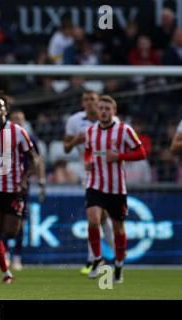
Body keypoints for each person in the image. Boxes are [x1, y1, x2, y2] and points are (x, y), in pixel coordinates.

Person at [0, 92, 42, 283]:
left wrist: (25, 179)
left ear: (6, 109)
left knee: (11, 231)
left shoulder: (18, 132)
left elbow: (34, 158)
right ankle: (6, 272)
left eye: (0, 105)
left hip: (14, 190)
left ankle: (11, 257)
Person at [84, 95, 147, 283]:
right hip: (95, 184)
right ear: (97, 110)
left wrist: (120, 156)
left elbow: (141, 152)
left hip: (117, 188)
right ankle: (97, 259)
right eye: (101, 108)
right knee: (93, 220)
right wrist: (87, 161)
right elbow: (88, 150)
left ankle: (119, 264)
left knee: (119, 230)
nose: (103, 111)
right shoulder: (90, 131)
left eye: (107, 108)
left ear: (114, 111)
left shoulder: (124, 130)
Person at [63, 91, 115, 275]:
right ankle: (98, 259)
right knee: (96, 217)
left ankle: (98, 259)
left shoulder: (111, 121)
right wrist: (78, 139)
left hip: (110, 173)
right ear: (82, 102)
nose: (89, 102)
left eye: (93, 99)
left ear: (98, 101)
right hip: (89, 173)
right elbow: (66, 147)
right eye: (86, 99)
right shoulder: (75, 121)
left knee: (102, 217)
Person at [4, 110, 45, 271]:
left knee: (19, 222)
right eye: (14, 119)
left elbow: (37, 161)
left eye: (20, 119)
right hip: (3, 185)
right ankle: (5, 254)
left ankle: (17, 257)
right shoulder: (2, 138)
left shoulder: (30, 138)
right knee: (2, 220)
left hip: (22, 186)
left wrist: (41, 181)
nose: (17, 122)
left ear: (25, 121)